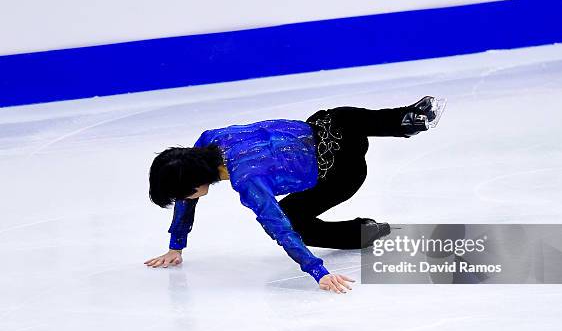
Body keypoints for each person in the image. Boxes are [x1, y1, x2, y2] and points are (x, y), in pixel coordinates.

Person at [146, 96, 446, 293]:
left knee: (294, 220)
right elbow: (187, 194)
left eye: (183, 194)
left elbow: (281, 229)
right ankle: (408, 120)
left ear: (195, 184)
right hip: (332, 131)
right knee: (338, 118)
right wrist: (176, 245)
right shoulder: (207, 141)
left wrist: (318, 271)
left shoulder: (248, 180)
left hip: (341, 173)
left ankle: (363, 233)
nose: (185, 199)